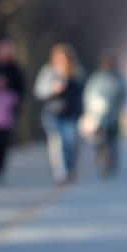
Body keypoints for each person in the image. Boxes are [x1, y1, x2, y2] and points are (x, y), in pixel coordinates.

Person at [33, 42, 84, 184]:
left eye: (64, 58)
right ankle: (60, 173)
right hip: (52, 113)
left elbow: (81, 94)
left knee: (71, 142)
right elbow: (38, 92)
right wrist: (52, 90)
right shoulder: (48, 72)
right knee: (57, 143)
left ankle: (70, 168)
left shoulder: (77, 72)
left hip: (71, 113)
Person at [81, 54, 127, 177]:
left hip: (113, 116)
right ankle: (101, 159)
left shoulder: (118, 79)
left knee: (112, 141)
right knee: (98, 140)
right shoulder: (96, 78)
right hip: (98, 117)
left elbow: (124, 95)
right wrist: (89, 111)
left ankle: (111, 162)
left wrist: (122, 109)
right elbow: (88, 95)